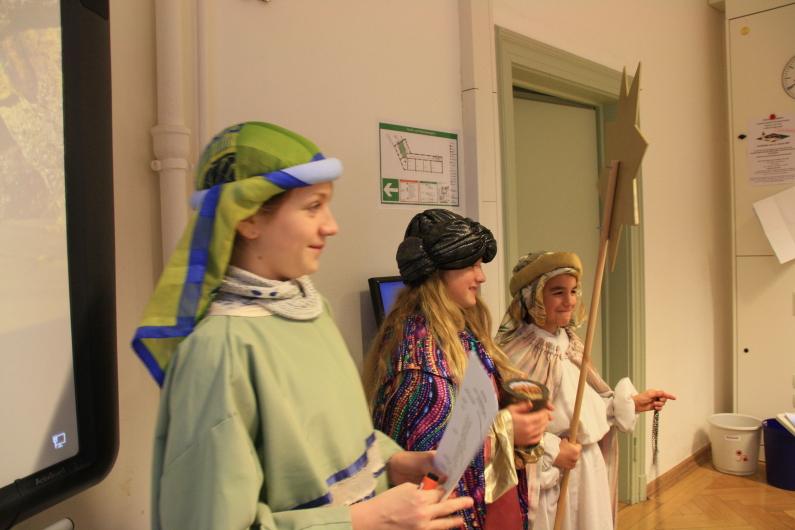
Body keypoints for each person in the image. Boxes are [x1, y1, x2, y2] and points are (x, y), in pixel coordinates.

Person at [132, 122, 472, 530]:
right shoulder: (221, 350)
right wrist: (367, 519)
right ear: (247, 218)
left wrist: (393, 462)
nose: (331, 226)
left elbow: (334, 442)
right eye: (313, 206)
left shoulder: (311, 310)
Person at [364, 209, 552, 530]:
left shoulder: (459, 332)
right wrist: (507, 431)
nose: (481, 277)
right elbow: (432, 466)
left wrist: (516, 408)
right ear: (438, 273)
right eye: (471, 266)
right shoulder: (419, 361)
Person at [495, 251, 676, 530]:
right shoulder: (517, 354)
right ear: (532, 297)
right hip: (552, 475)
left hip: (588, 467)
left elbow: (583, 408)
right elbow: (507, 428)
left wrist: (630, 404)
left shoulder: (571, 342)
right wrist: (552, 450)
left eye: (573, 291)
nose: (569, 301)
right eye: (558, 292)